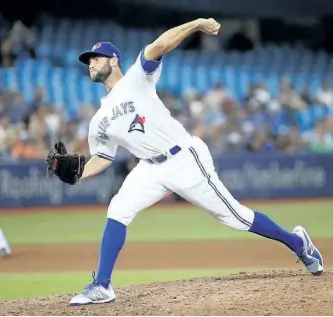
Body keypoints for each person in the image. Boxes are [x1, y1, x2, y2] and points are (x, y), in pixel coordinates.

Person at [55, 18, 323, 306]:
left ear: (114, 60)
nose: (91, 63)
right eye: (89, 60)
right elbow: (102, 158)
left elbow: (160, 45)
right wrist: (78, 173)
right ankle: (102, 285)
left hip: (183, 157)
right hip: (149, 167)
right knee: (118, 208)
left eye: (96, 58)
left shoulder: (136, 77)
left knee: (236, 217)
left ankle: (298, 243)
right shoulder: (100, 119)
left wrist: (196, 24)